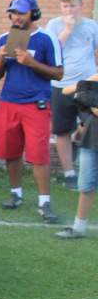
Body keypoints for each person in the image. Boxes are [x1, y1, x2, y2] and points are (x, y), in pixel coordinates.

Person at [0, 0, 63, 223]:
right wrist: (1, 58)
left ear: (33, 13)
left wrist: (32, 63)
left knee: (38, 154)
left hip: (36, 103)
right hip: (9, 102)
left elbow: (59, 73)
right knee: (11, 151)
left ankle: (44, 201)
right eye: (13, 12)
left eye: (21, 13)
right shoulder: (5, 38)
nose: (16, 17)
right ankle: (16, 194)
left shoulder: (46, 38)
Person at [46, 0, 98, 191]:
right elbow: (52, 51)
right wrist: (67, 30)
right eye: (66, 6)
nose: (70, 10)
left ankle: (80, 137)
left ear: (81, 6)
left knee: (91, 125)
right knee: (61, 130)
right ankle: (69, 173)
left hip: (87, 85)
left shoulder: (92, 26)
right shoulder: (54, 25)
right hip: (61, 84)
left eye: (73, 6)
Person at [57, 74, 98, 238]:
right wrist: (84, 85)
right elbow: (66, 90)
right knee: (86, 185)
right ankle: (79, 228)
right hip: (92, 137)